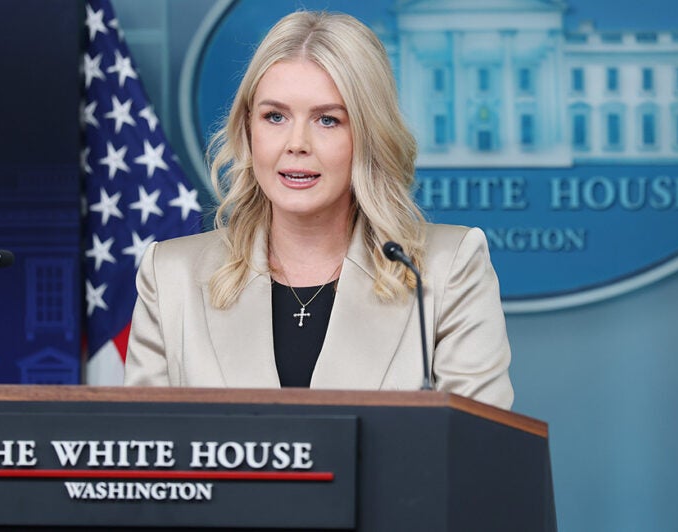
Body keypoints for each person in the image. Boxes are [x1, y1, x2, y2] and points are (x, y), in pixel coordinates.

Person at [123, 10, 513, 409]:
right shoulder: (171, 276)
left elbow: (476, 458)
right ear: (248, 129)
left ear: (368, 135)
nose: (296, 143)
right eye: (275, 116)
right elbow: (144, 458)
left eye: (327, 120)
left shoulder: (448, 270)